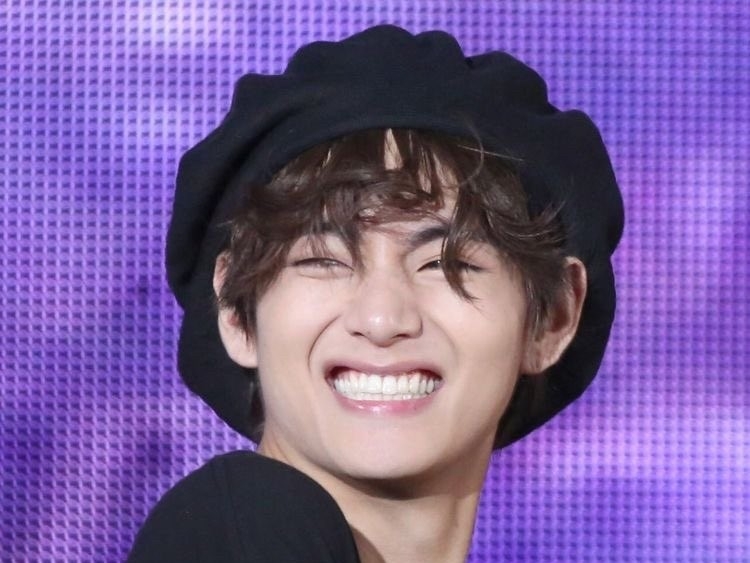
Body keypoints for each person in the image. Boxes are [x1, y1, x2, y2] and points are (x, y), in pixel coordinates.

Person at [127, 25, 623, 562]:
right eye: (323, 260)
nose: (382, 319)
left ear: (553, 316)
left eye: (446, 263)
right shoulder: (246, 533)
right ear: (233, 309)